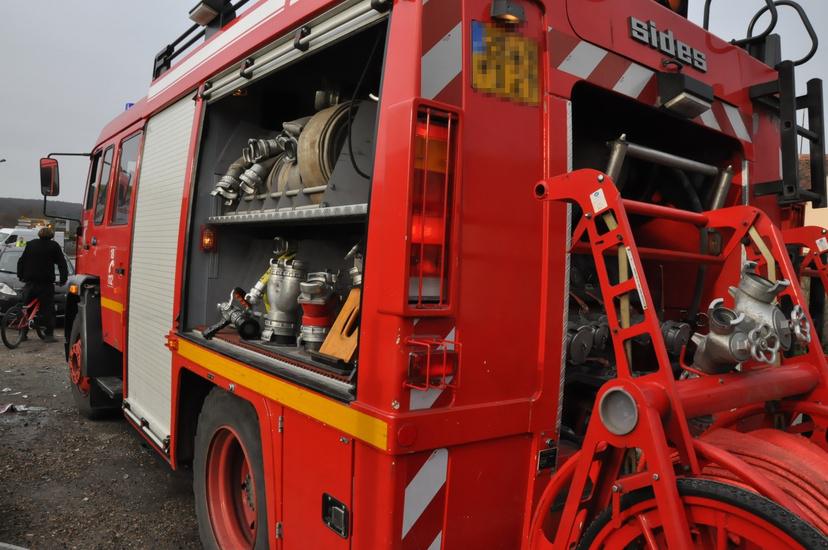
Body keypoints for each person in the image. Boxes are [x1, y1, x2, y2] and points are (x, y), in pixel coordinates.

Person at [16, 227, 68, 343]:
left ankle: (23, 333)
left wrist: (21, 276)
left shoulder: (30, 244)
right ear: (51, 236)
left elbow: (21, 261)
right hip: (45, 283)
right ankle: (49, 335)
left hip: (30, 281)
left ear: (39, 235)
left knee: (26, 306)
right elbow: (62, 263)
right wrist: (63, 279)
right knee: (48, 309)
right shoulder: (54, 246)